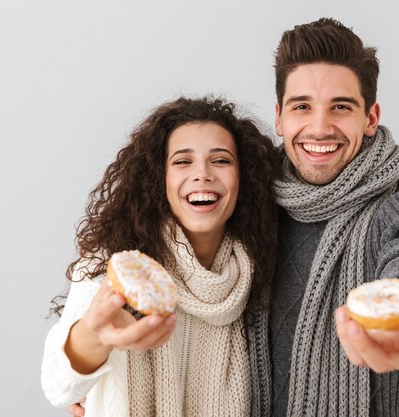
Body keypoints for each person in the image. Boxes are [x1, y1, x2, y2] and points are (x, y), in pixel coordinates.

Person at [242, 18, 399, 417]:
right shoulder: (247, 207)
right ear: (279, 117)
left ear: (370, 117)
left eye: (340, 107)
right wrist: (92, 374)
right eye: (302, 106)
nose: (320, 127)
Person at [41, 96, 280, 416]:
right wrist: (95, 335)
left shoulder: (260, 272)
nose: (203, 174)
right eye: (183, 161)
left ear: (244, 177)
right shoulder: (116, 267)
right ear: (160, 179)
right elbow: (58, 385)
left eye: (221, 160)